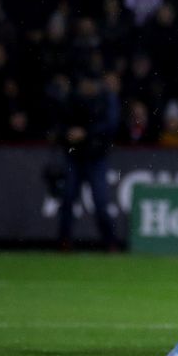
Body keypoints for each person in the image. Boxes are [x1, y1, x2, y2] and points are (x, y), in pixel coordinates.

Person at [56, 72, 122, 251]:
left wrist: (85, 133)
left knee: (100, 202)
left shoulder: (105, 99)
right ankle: (64, 241)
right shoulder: (71, 99)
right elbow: (60, 125)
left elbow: (111, 125)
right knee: (68, 198)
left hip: (96, 157)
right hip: (75, 156)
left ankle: (110, 242)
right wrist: (67, 134)